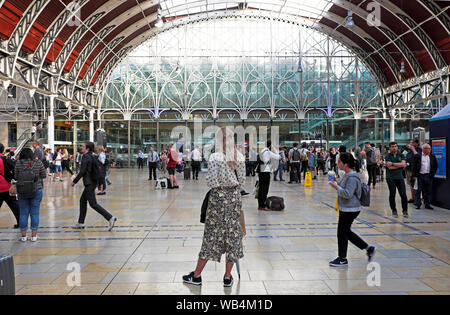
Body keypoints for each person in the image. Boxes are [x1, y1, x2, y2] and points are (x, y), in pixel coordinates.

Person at [183, 127, 245, 287]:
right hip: (234, 201)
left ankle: (196, 276)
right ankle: (227, 277)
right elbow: (242, 182)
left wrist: (221, 188)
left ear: (218, 140)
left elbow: (211, 181)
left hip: (218, 200)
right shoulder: (240, 157)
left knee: (211, 237)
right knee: (232, 238)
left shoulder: (215, 157)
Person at [328, 152, 376, 267]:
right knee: (345, 232)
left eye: (339, 161)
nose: (337, 163)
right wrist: (337, 183)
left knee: (342, 233)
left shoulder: (352, 177)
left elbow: (348, 193)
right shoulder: (348, 175)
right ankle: (368, 248)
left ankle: (343, 259)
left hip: (351, 209)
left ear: (345, 164)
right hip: (347, 208)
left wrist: (336, 187)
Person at [71, 142, 117, 230]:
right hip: (93, 182)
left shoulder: (86, 157)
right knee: (82, 201)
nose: (82, 148)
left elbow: (83, 171)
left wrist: (74, 181)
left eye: (83, 146)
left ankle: (110, 218)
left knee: (93, 204)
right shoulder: (93, 156)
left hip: (89, 183)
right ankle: (81, 222)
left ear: (87, 149)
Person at [14, 148, 46, 242]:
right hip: (36, 190)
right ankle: (34, 236)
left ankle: (23, 237)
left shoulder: (18, 163)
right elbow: (44, 175)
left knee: (23, 213)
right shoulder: (38, 162)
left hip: (22, 190)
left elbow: (15, 176)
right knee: (35, 213)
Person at [383, 142, 409, 218]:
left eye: (395, 146)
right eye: (392, 146)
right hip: (390, 178)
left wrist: (393, 164)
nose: (394, 148)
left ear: (397, 147)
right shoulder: (387, 156)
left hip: (400, 177)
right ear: (389, 148)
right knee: (392, 194)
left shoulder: (401, 155)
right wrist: (399, 165)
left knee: (403, 195)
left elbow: (404, 164)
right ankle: (394, 210)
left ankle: (405, 210)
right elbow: (389, 167)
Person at [0, 143, 20, 229]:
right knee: (15, 207)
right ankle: (20, 223)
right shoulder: (5, 159)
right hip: (6, 186)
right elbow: (15, 169)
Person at [412, 143, 437, 210]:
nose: (429, 150)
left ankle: (427, 204)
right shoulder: (418, 156)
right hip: (420, 176)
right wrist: (414, 175)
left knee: (428, 191)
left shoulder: (432, 156)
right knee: (418, 190)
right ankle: (418, 204)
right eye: (427, 148)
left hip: (428, 176)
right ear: (423, 149)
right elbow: (414, 166)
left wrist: (432, 174)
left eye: (430, 149)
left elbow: (435, 166)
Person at [257, 140, 280, 211]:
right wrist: (275, 150)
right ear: (270, 146)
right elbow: (278, 157)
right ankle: (263, 206)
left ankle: (260, 205)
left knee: (261, 188)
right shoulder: (268, 152)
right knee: (265, 189)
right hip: (266, 171)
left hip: (260, 171)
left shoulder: (261, 151)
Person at [405, 139, 421, 203]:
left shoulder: (419, 150)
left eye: (413, 143)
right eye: (410, 143)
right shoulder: (409, 150)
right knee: (411, 184)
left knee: (415, 185)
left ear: (416, 143)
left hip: (414, 170)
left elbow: (418, 157)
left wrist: (413, 149)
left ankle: (417, 198)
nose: (411, 144)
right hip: (408, 169)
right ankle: (413, 197)